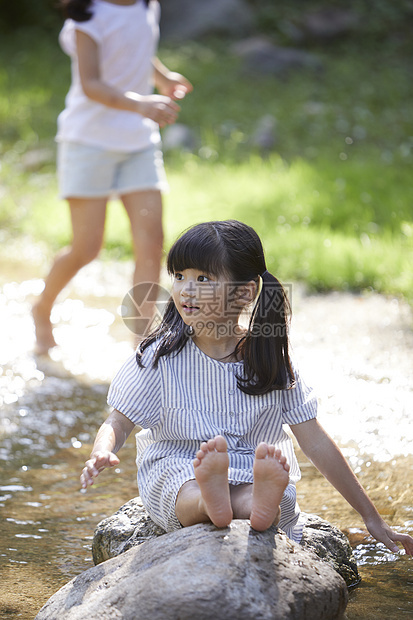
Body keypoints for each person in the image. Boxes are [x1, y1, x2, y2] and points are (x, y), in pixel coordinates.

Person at [81, 220, 413, 553]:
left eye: (203, 279)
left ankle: (254, 505)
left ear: (246, 292)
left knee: (265, 493)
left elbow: (314, 440)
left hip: (250, 468)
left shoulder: (268, 360)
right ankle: (210, 500)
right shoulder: (161, 356)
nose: (185, 290)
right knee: (184, 488)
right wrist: (103, 450)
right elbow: (119, 420)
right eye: (179, 276)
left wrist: (371, 516)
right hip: (178, 464)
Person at [32, 0, 192, 354]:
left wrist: (162, 77)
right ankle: (41, 309)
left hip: (138, 142)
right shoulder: (88, 18)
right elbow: (91, 84)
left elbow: (135, 51)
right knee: (86, 248)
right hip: (88, 142)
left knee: (151, 245)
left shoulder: (147, 6)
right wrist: (142, 104)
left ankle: (143, 343)